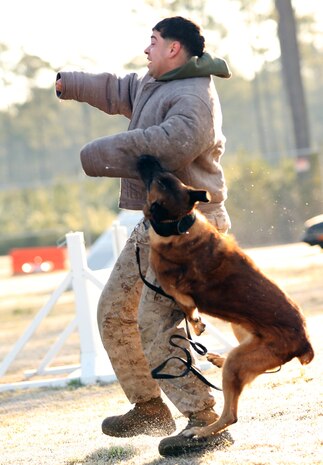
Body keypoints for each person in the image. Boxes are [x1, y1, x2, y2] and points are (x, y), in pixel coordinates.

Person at [55, 16, 232, 457]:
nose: (146, 48)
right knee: (113, 310)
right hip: (158, 220)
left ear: (174, 49)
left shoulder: (195, 98)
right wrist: (71, 82)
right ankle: (149, 406)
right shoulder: (155, 82)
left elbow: (170, 145)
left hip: (193, 228)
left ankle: (204, 420)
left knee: (153, 322)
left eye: (153, 42)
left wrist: (97, 153)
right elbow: (118, 88)